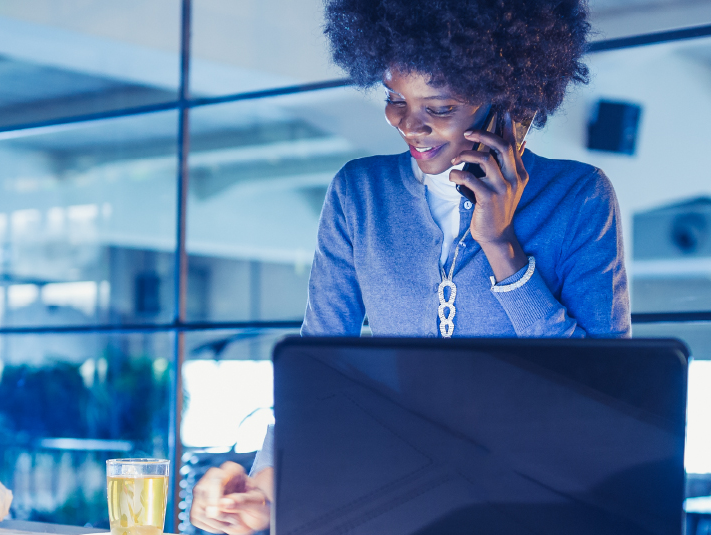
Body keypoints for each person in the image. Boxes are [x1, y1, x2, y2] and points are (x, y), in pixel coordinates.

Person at [191, 0, 629, 532]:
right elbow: (318, 368)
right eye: (395, 98)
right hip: (399, 505)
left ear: (508, 105)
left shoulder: (578, 198)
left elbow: (606, 396)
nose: (409, 125)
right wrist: (267, 492)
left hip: (534, 510)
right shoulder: (360, 193)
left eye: (439, 108)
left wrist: (503, 250)